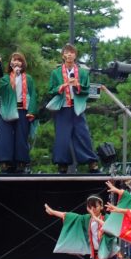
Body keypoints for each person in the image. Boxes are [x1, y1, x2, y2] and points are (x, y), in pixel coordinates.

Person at [44, 43, 99, 174]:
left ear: (75, 55)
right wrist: (61, 87)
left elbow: (86, 90)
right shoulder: (56, 73)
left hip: (77, 107)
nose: (69, 54)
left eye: (72, 52)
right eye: (66, 52)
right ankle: (62, 165)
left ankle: (92, 163)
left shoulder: (83, 73)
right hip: (63, 107)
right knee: (62, 137)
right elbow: (51, 90)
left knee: (82, 134)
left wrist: (77, 86)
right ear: (63, 55)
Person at [0, 52, 36, 174]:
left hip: (23, 109)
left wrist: (32, 111)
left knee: (21, 137)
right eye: (14, 60)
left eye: (19, 60)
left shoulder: (28, 78)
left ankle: (21, 163)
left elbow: (33, 95)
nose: (17, 62)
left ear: (23, 63)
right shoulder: (5, 78)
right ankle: (5, 162)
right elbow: (3, 92)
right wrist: (13, 76)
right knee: (4, 136)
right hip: (8, 110)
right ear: (10, 63)